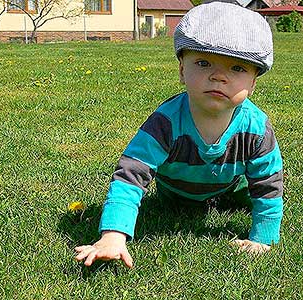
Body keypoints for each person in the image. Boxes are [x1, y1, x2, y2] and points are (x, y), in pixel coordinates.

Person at [75, 2, 283, 268]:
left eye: (238, 68)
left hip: (233, 188)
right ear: (182, 71)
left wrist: (263, 239)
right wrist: (113, 237)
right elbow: (130, 174)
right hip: (174, 195)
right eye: (204, 63)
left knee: (248, 195)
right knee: (176, 206)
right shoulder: (165, 122)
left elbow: (268, 183)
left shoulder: (256, 128)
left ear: (253, 83)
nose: (218, 76)